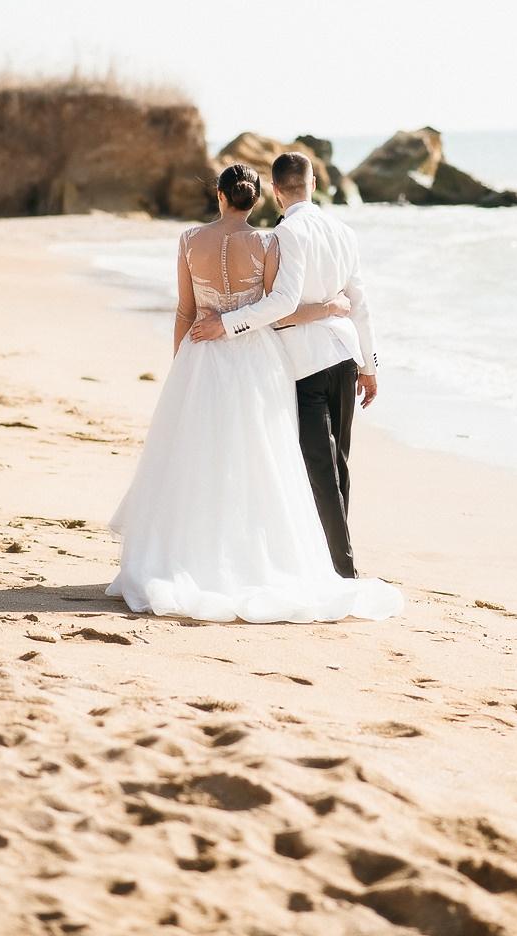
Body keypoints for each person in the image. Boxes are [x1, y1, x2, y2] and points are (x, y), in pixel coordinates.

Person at [106, 162, 403, 624]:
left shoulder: (193, 240)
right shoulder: (279, 241)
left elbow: (188, 311)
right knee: (272, 462)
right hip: (289, 360)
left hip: (212, 356)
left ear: (221, 195)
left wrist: (183, 364)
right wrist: (361, 350)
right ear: (262, 197)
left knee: (204, 458)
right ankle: (324, 563)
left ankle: (203, 555)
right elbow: (295, 308)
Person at [191, 152, 376, 579]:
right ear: (313, 184)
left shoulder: (286, 233)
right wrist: (370, 365)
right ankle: (334, 559)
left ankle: (340, 569)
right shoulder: (344, 231)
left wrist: (226, 324)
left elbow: (282, 305)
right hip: (346, 358)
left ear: (275, 191)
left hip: (305, 364)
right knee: (338, 465)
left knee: (320, 470)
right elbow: (360, 302)